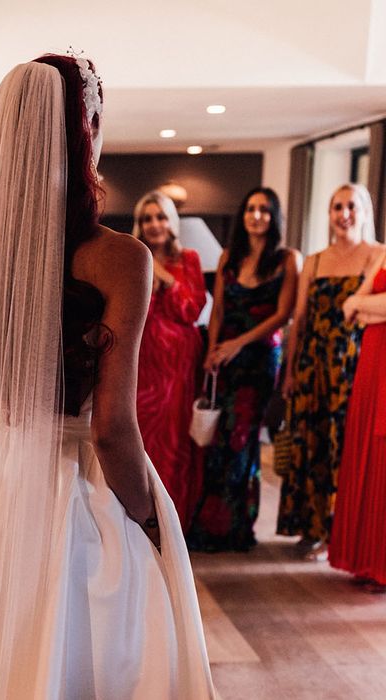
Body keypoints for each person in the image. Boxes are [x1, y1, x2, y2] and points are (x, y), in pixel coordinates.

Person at [0, 55, 214, 699]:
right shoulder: (121, 259)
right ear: (83, 130)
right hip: (83, 491)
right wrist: (147, 521)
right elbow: (113, 428)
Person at [188, 187, 300, 552]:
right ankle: (211, 525)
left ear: (274, 217)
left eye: (265, 210)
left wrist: (238, 344)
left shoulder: (287, 260)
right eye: (251, 209)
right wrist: (213, 351)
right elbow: (217, 309)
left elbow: (283, 315)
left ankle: (239, 526)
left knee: (242, 441)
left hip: (258, 360)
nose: (257, 216)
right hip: (224, 359)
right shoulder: (228, 258)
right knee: (219, 441)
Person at [277, 183, 382, 561]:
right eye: (337, 207)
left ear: (364, 211)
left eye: (351, 206)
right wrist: (288, 371)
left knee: (344, 446)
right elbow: (299, 319)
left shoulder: (378, 255)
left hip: (355, 364)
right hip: (312, 363)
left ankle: (343, 532)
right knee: (313, 441)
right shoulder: (316, 260)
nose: (343, 214)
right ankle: (313, 527)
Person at [133, 190, 206, 529]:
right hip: (141, 362)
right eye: (147, 218)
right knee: (141, 437)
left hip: (177, 367)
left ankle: (173, 523)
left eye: (160, 216)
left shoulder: (187, 258)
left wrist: (161, 275)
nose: (154, 224)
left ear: (171, 221)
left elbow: (192, 309)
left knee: (173, 442)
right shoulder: (131, 256)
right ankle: (140, 516)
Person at [328, 249, 386, 592]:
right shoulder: (383, 254)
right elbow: (350, 305)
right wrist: (370, 307)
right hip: (371, 361)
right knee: (366, 451)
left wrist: (368, 308)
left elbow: (362, 306)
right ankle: (366, 560)